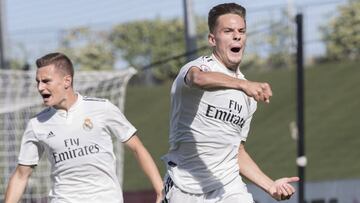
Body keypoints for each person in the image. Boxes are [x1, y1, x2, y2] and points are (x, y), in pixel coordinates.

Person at [162, 3, 299, 203]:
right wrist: (242, 84)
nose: (237, 36)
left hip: (226, 186)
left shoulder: (247, 96)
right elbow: (198, 79)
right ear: (212, 39)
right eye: (228, 31)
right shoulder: (197, 68)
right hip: (183, 186)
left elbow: (236, 151)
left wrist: (270, 186)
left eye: (241, 31)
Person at [4, 52, 163, 203]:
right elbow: (21, 175)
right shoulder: (36, 124)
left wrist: (160, 190)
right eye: (38, 82)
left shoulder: (103, 108)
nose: (40, 87)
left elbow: (137, 148)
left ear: (67, 81)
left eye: (46, 81)